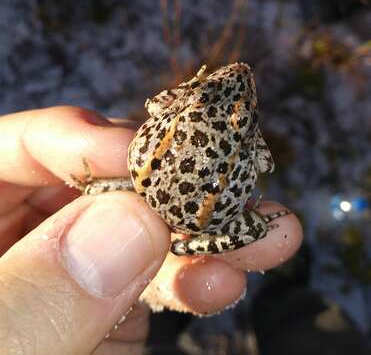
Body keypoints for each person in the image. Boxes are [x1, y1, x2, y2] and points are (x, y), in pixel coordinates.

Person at [0, 106, 302, 354]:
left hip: (146, 190)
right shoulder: (246, 131)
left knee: (108, 184)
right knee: (257, 230)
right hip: (200, 221)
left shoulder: (189, 105)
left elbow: (155, 105)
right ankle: (190, 257)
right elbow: (265, 163)